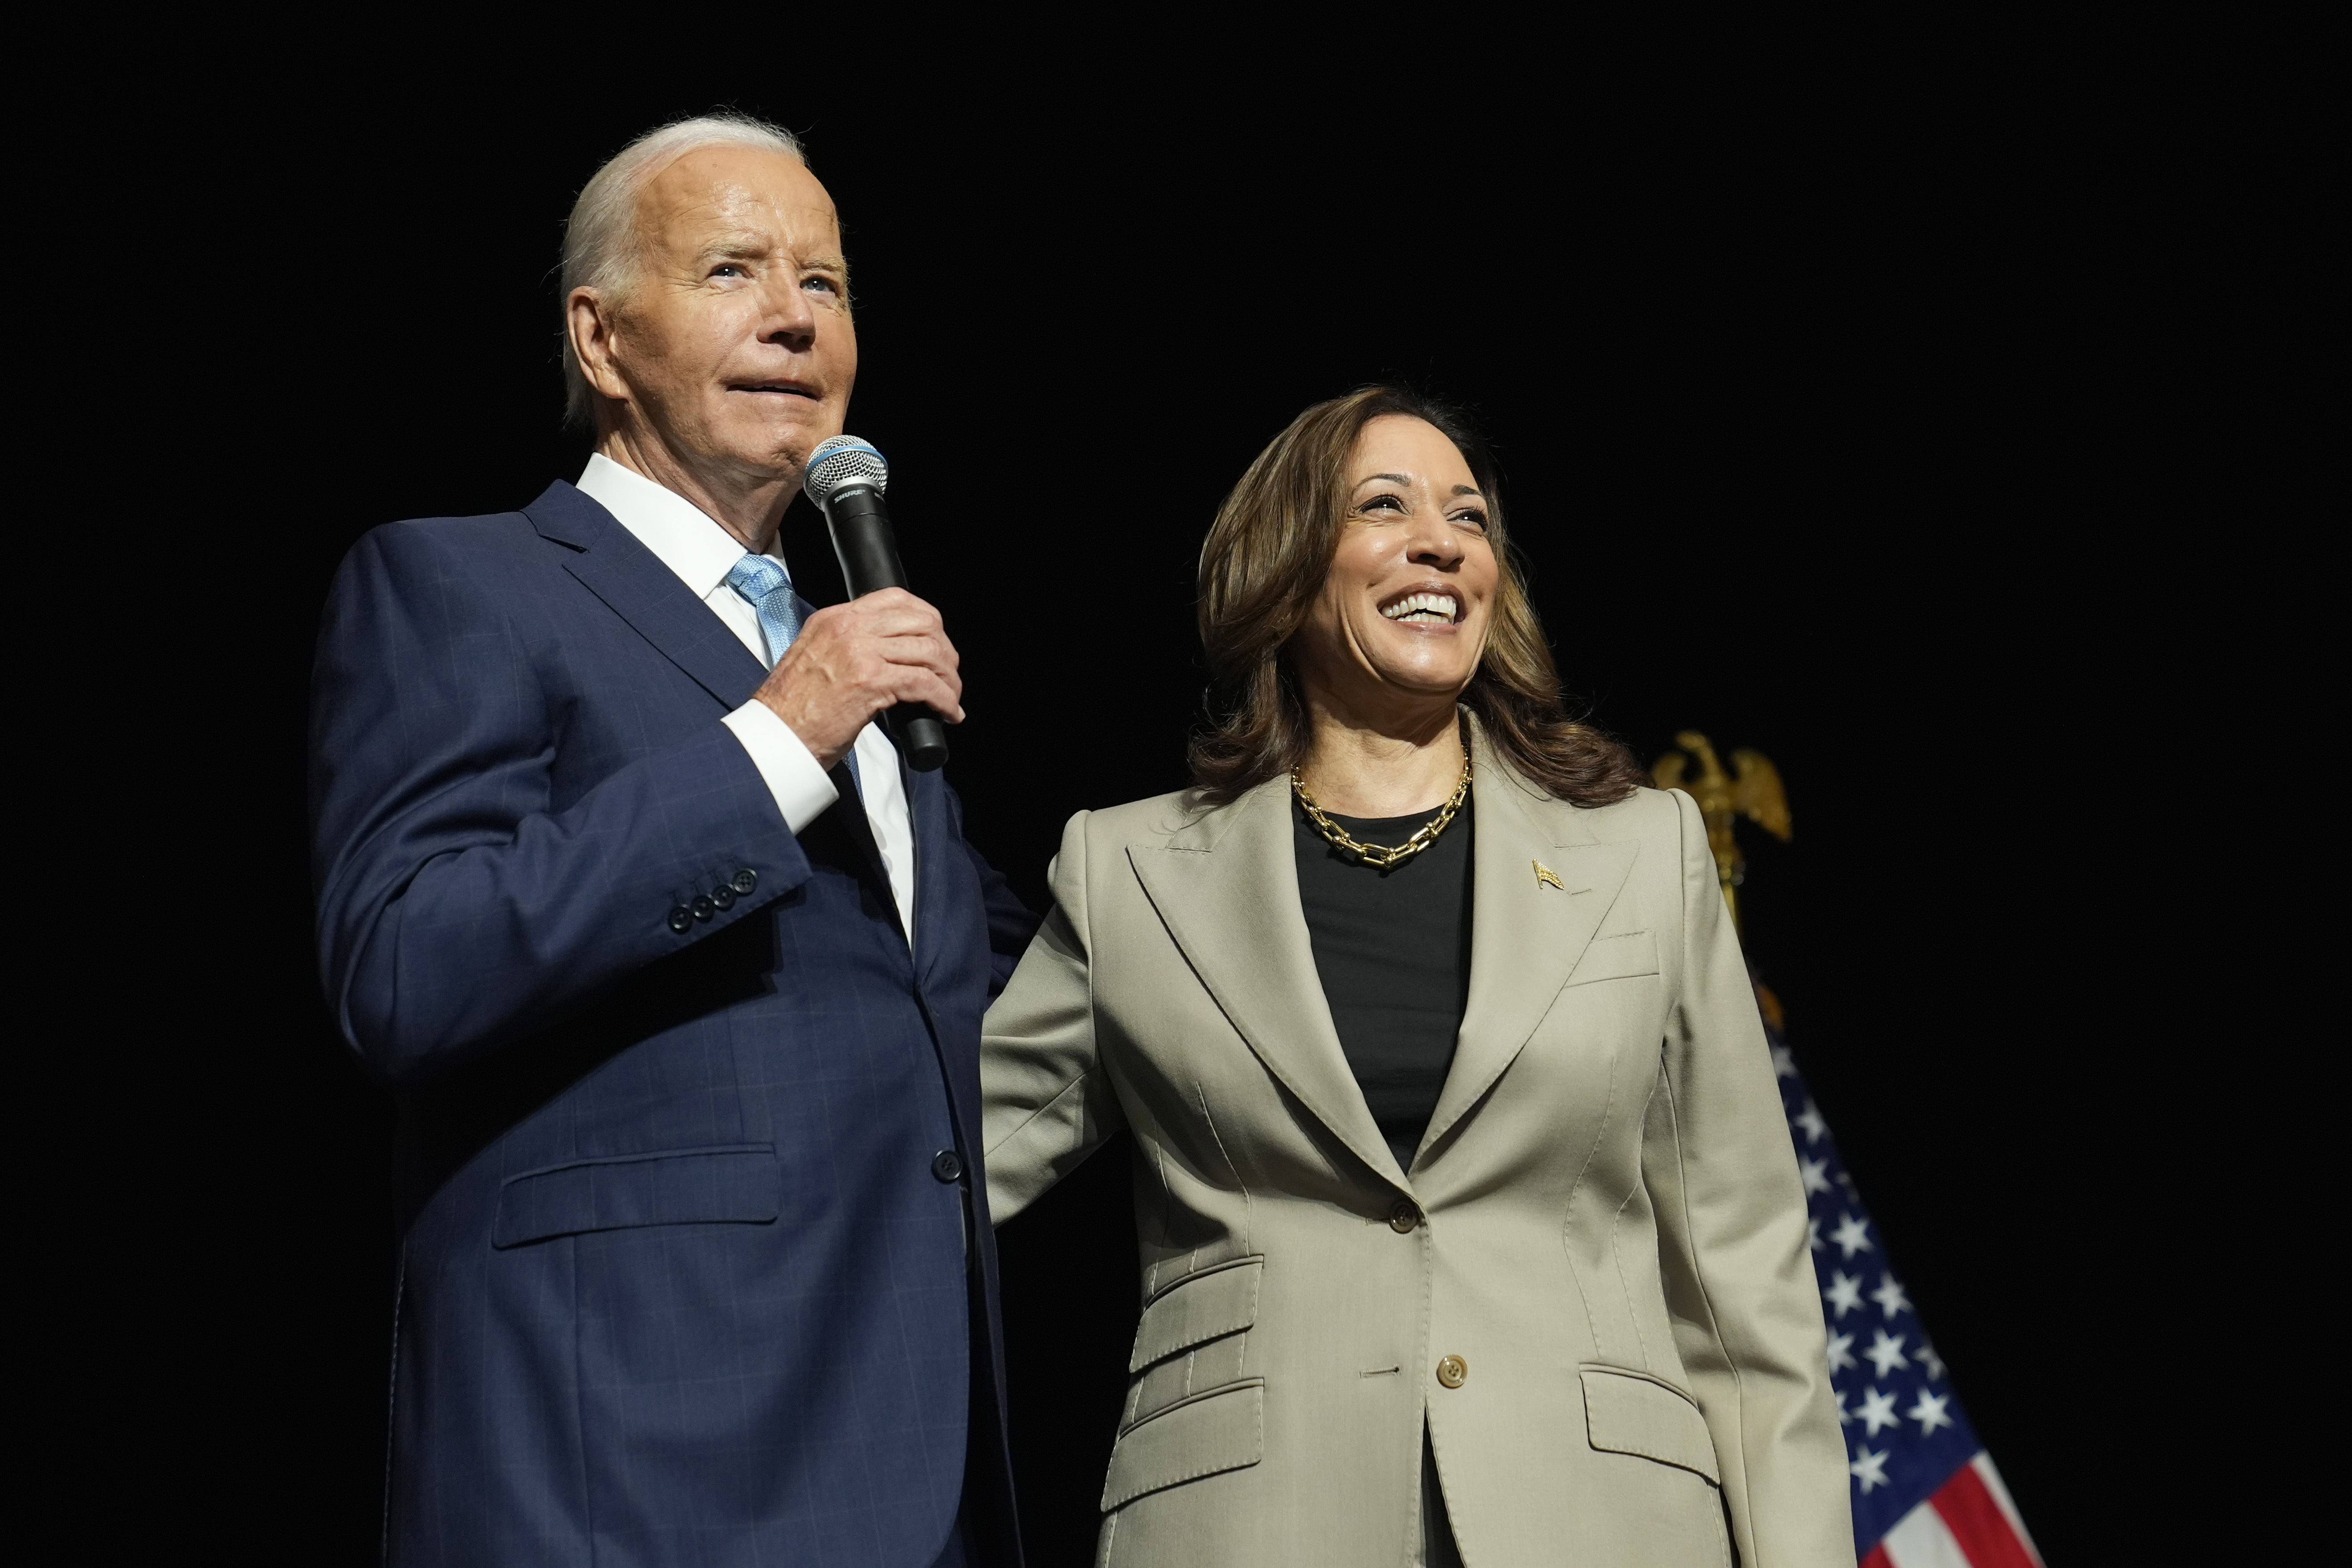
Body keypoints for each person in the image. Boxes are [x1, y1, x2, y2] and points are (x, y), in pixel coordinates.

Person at [309, 115, 1033, 1567]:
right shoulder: (463, 583)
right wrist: (774, 740)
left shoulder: (850, 662)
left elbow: (990, 993)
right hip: (631, 1465)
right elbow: (406, 963)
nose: (792, 315)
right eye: (731, 269)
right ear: (600, 339)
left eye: (824, 284)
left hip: (914, 1463)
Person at [979, 388, 1852, 1566]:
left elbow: (1747, 1270)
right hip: (1252, 1524)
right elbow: (938, 1175)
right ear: (1284, 567)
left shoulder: (1644, 853)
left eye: (1470, 518)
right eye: (1382, 506)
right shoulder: (1128, 870)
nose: (1441, 541)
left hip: (1602, 1519)